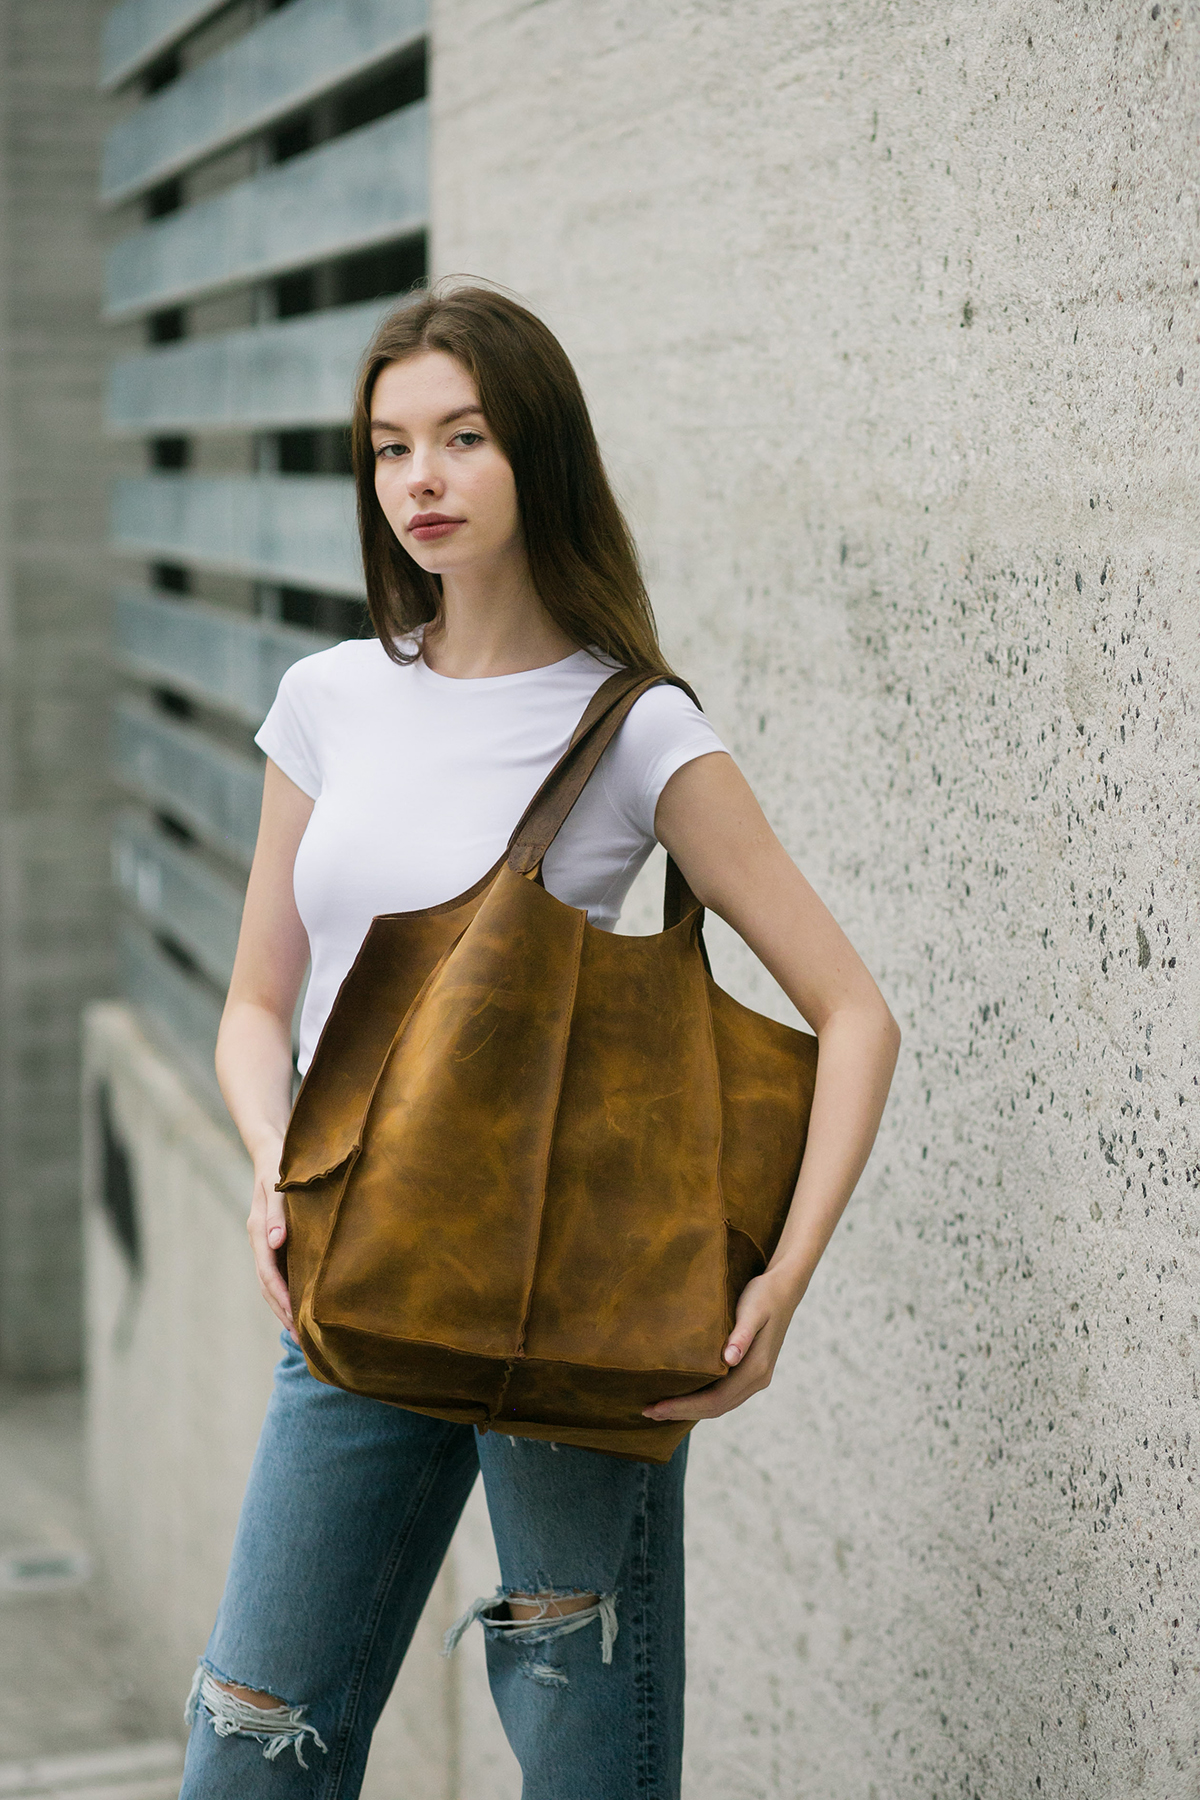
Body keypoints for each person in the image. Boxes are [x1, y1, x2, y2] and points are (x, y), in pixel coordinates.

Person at [178, 283, 900, 1800]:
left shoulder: (632, 726)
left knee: (583, 1767)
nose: (420, 480)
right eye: (389, 449)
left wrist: (779, 1289)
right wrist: (271, 1167)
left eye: (463, 438)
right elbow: (257, 1002)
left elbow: (855, 1016)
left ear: (539, 456)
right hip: (357, 1285)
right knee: (247, 1745)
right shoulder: (328, 700)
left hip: (578, 1323)